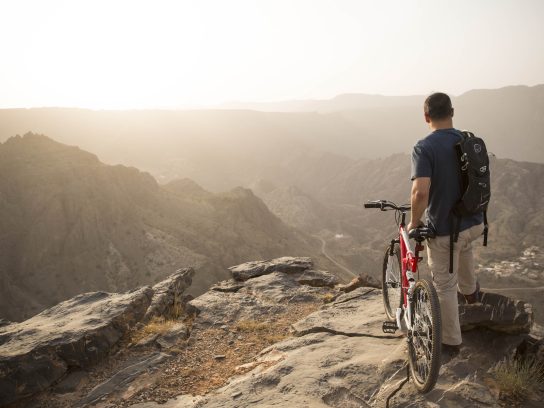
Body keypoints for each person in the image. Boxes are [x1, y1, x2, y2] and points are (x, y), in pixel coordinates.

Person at [407, 92, 484, 353]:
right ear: (453, 112)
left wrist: (414, 223)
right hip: (474, 223)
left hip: (445, 231)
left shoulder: (424, 147)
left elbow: (420, 192)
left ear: (426, 116)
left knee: (444, 286)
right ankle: (472, 295)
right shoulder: (467, 140)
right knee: (464, 249)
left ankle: (450, 343)